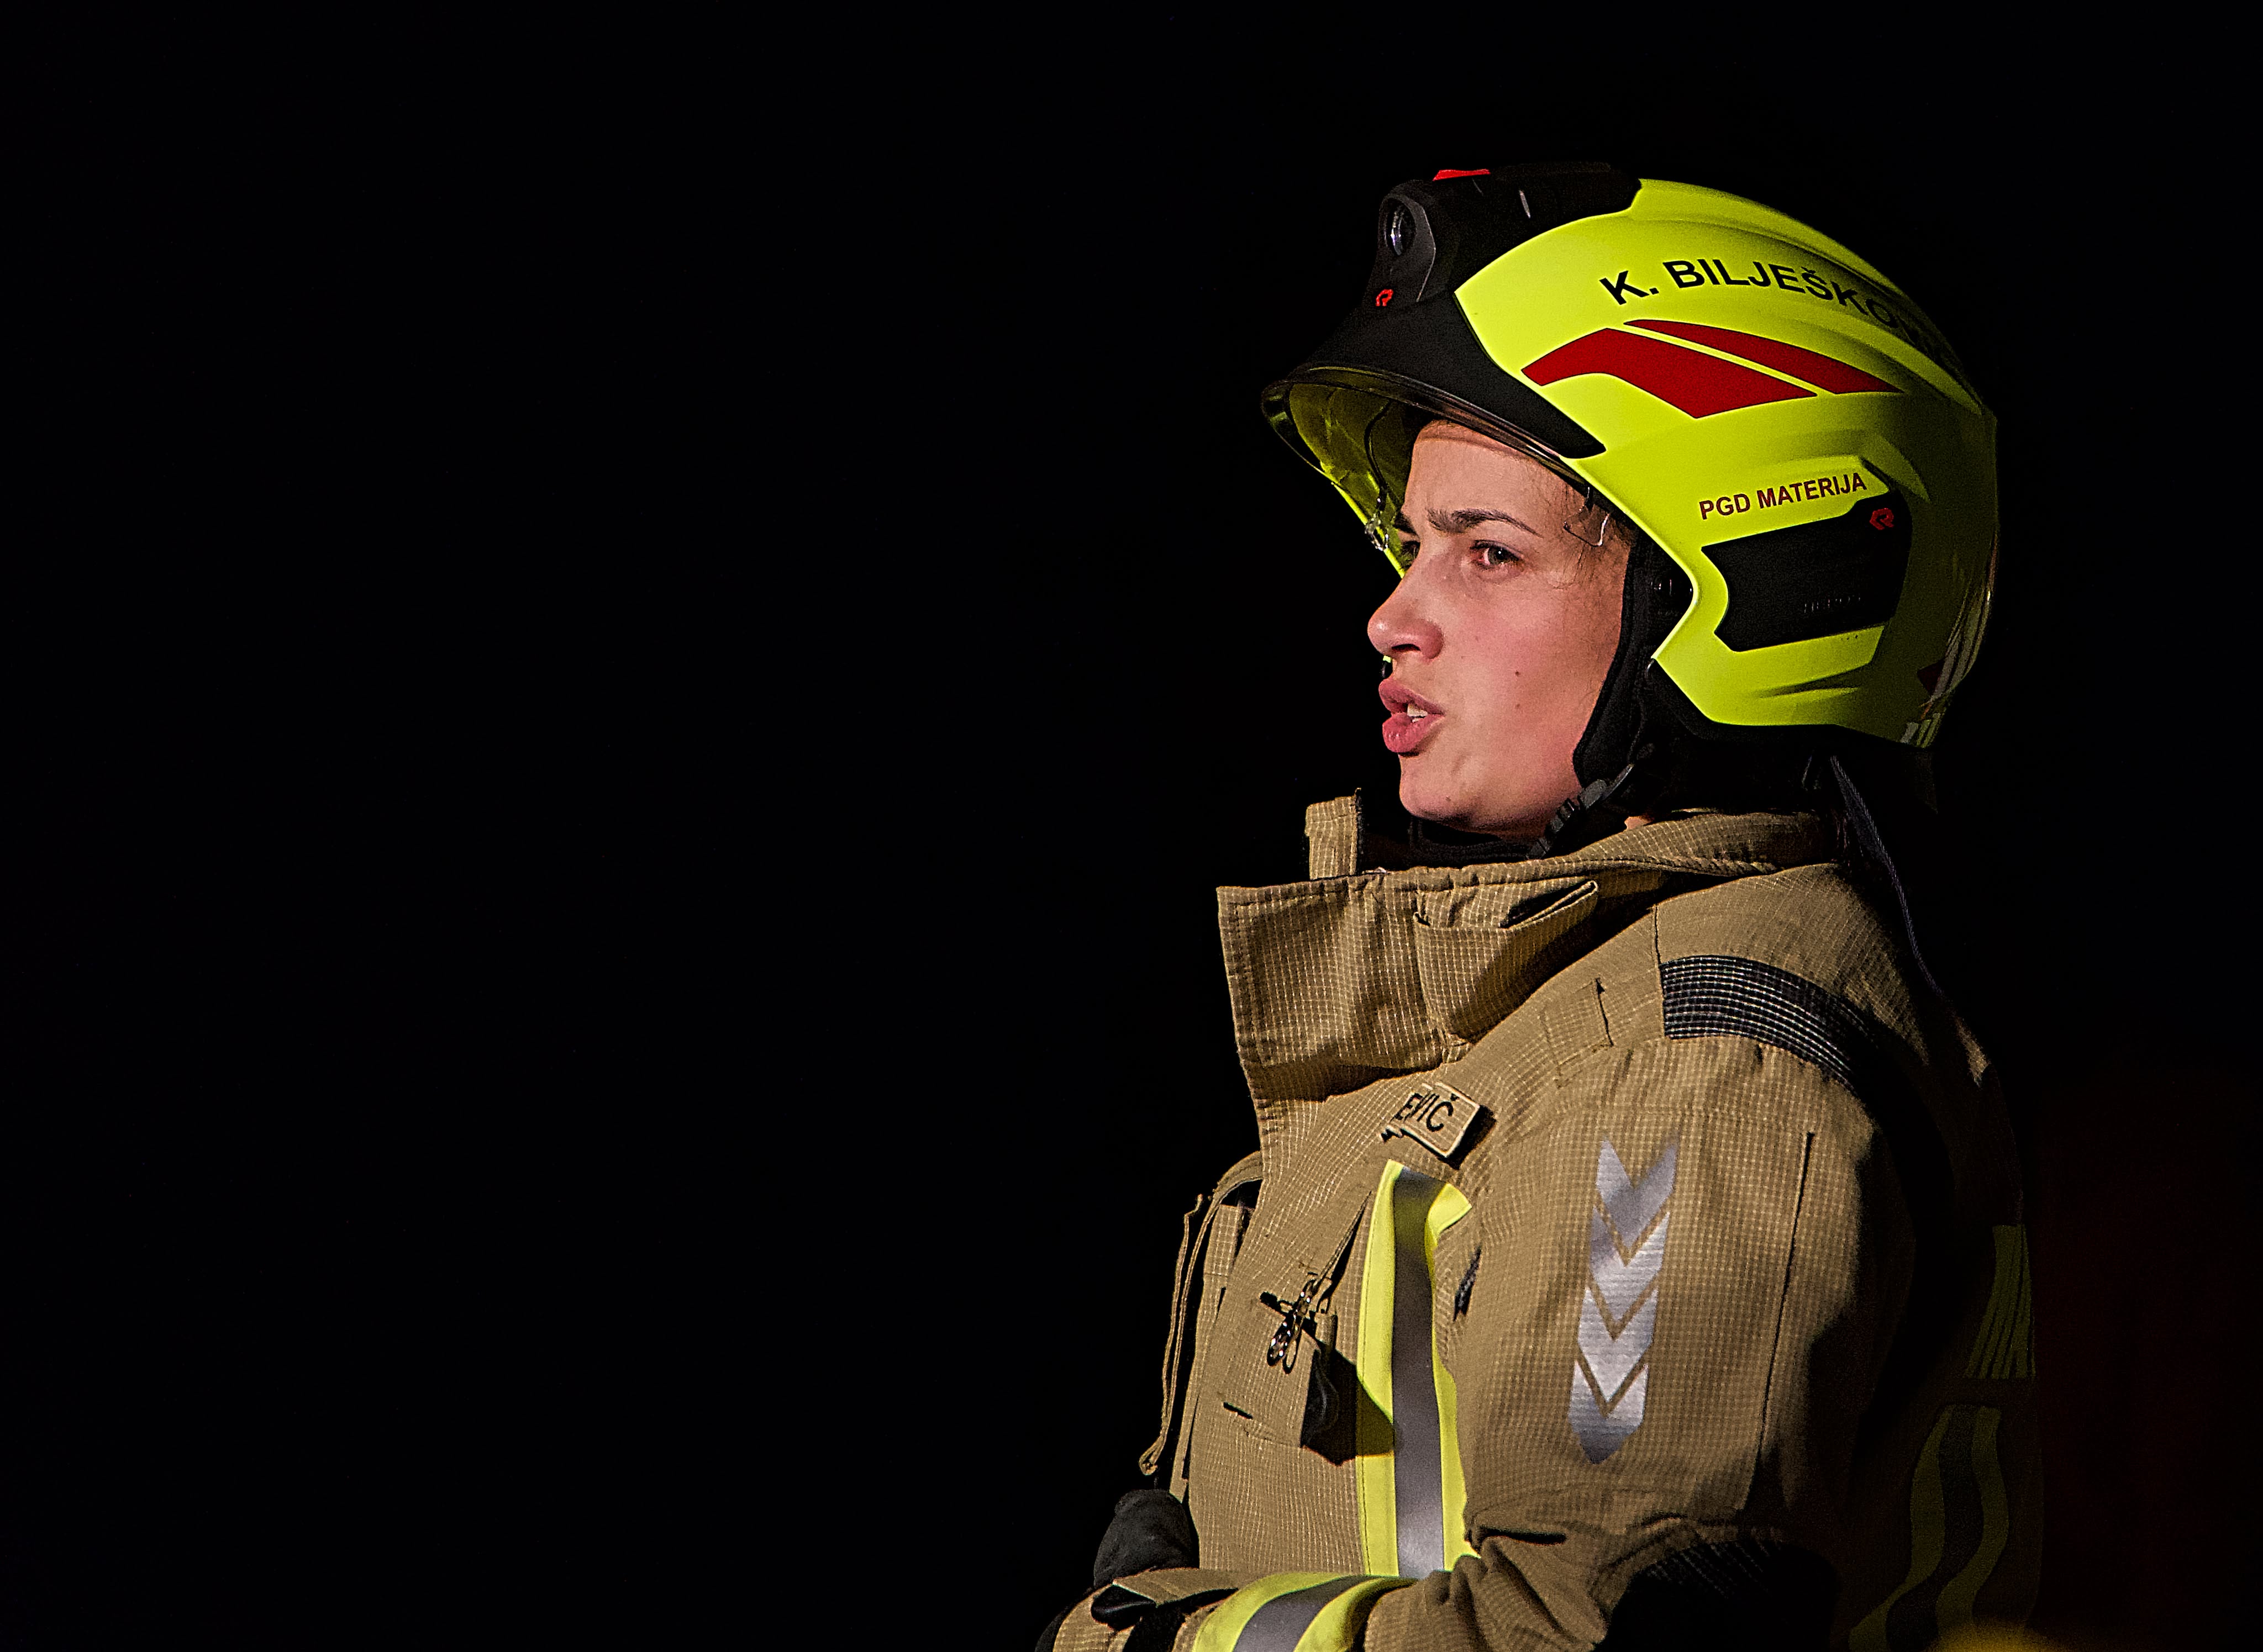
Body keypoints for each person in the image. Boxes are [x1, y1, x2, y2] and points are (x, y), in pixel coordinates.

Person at [1039, 164, 2036, 1652]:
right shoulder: (1574, 1013)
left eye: (1488, 551)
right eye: (1411, 545)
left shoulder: (1698, 1066)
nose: (1393, 615)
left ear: (1755, 586)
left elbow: (1607, 1631)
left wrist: (1161, 1639)